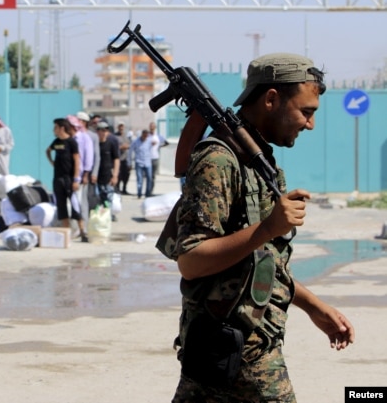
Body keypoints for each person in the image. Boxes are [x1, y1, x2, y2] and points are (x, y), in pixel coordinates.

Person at [170, 53, 354, 402]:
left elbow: (260, 262)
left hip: (239, 347)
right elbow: (191, 259)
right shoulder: (219, 160)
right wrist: (269, 227)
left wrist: (315, 307)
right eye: (306, 111)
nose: (310, 124)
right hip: (234, 347)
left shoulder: (256, 160)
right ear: (271, 99)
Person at [45, 118, 87, 242]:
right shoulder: (56, 142)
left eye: (55, 127)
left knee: (74, 204)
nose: (54, 130)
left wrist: (76, 179)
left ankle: (82, 231)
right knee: (61, 205)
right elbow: (48, 151)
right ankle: (66, 232)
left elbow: (77, 161)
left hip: (69, 179)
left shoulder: (71, 142)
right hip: (57, 178)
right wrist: (52, 162)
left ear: (62, 128)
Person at [95, 121, 120, 221]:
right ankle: (100, 215)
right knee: (97, 198)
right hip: (96, 176)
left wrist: (115, 175)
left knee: (109, 198)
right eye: (102, 130)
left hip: (108, 176)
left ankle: (108, 215)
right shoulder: (95, 144)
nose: (104, 133)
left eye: (106, 130)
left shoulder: (111, 143)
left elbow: (116, 159)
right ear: (97, 131)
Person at [129, 129, 153, 199]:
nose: (145, 137)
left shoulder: (149, 141)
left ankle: (147, 194)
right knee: (139, 179)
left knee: (149, 178)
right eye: (144, 135)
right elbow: (130, 151)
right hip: (139, 162)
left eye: (146, 135)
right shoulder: (136, 141)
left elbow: (151, 150)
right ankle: (139, 193)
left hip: (148, 162)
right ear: (142, 134)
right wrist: (129, 162)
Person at [149, 121, 169, 194]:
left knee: (152, 176)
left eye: (153, 127)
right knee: (148, 176)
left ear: (155, 128)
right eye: (150, 127)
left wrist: (159, 146)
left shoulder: (158, 136)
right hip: (147, 159)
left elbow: (166, 142)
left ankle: (150, 190)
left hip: (155, 158)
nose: (151, 128)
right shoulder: (147, 136)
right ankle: (147, 190)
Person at [114, 122, 131, 194]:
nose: (121, 128)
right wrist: (121, 147)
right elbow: (113, 147)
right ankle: (117, 189)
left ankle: (124, 188)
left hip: (125, 159)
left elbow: (130, 145)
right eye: (120, 126)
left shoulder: (126, 136)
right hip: (118, 159)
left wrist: (127, 146)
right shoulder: (115, 136)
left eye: (122, 126)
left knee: (126, 175)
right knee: (119, 175)